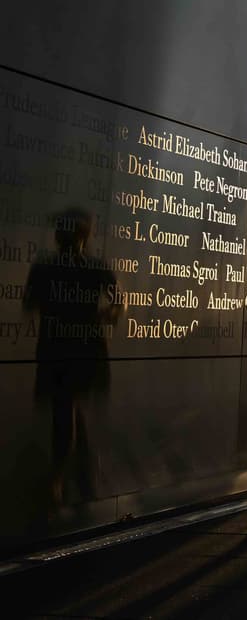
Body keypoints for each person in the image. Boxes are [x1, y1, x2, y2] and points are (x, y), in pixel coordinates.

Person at [24, 208, 123, 508]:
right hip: (75, 347)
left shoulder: (48, 268)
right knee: (69, 411)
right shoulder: (90, 268)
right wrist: (103, 315)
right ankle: (81, 482)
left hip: (64, 347)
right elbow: (119, 303)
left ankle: (60, 482)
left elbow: (30, 304)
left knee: (65, 411)